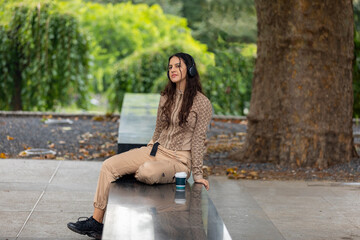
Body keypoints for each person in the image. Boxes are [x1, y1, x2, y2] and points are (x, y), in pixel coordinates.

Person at [67, 52, 213, 239]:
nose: (173, 70)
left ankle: (136, 174)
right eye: (170, 67)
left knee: (147, 172)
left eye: (178, 66)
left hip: (179, 161)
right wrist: (148, 149)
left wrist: (198, 174)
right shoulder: (166, 96)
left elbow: (198, 139)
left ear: (190, 69)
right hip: (156, 151)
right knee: (108, 166)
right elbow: (158, 128)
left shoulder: (202, 103)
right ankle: (96, 222)